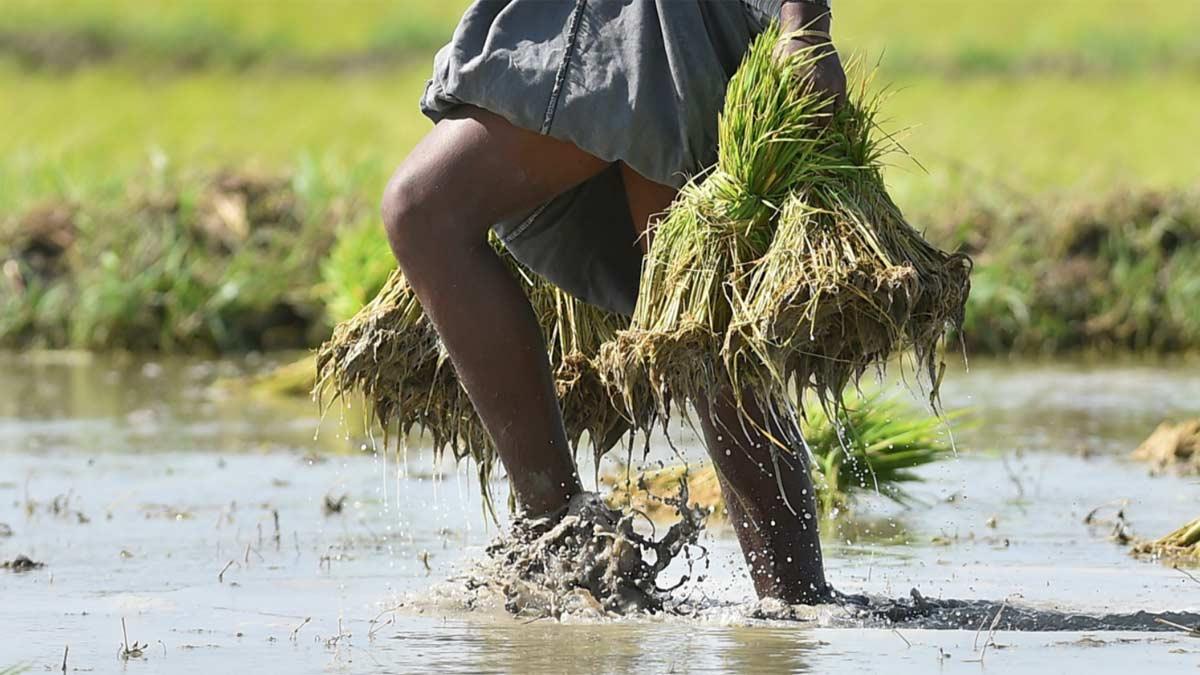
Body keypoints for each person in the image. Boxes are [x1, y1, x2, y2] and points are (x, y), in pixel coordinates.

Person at [381, 0, 847, 605]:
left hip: (670, 27)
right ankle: (567, 542)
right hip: (564, 21)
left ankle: (793, 608)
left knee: (690, 312)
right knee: (426, 213)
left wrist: (805, 24)